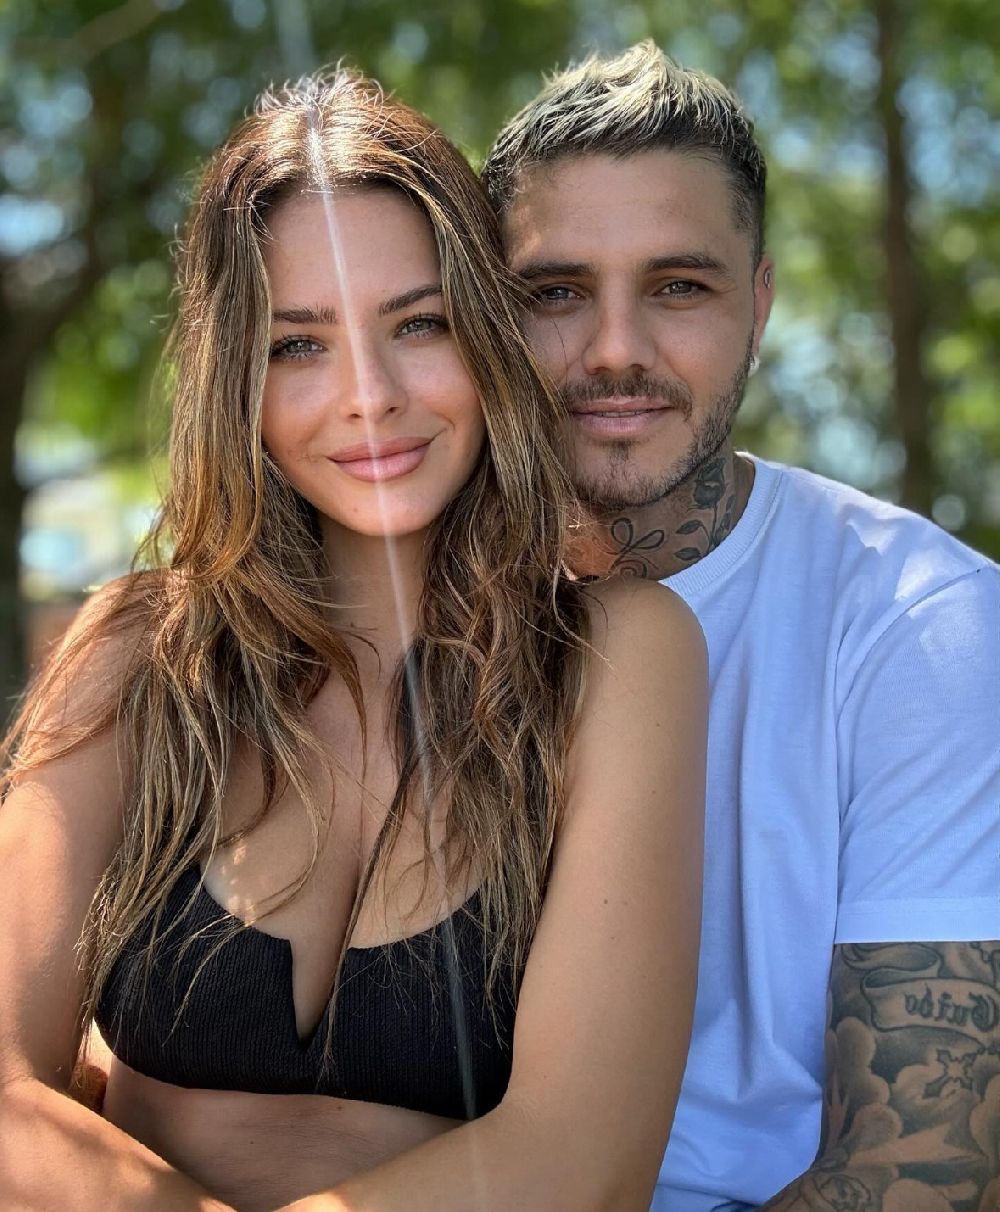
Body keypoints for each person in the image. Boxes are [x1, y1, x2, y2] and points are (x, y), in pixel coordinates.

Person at [0, 69, 708, 1211]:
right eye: (298, 345)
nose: (368, 395)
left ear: (487, 340)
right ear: (235, 378)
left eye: (418, 324)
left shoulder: (619, 658)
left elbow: (585, 1161)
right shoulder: (135, 655)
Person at [480, 41, 1000, 1212]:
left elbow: (927, 1169)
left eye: (679, 287)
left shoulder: (921, 624)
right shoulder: (413, 603)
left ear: (756, 305)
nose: (616, 349)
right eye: (555, 293)